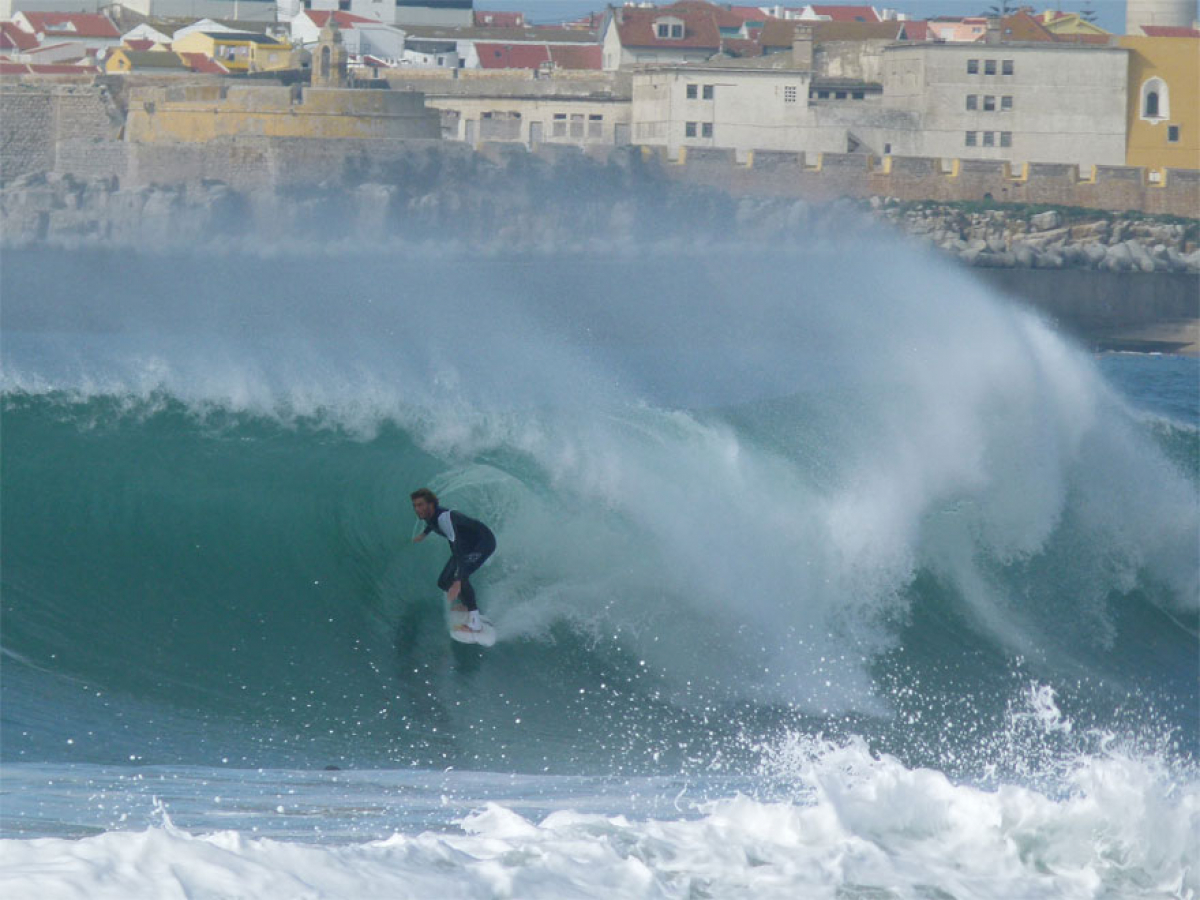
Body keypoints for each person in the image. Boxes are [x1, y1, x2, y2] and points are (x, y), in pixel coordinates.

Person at [411, 488, 496, 633]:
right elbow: (431, 523)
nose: (417, 509)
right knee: (443, 582)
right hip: (467, 544)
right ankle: (467, 606)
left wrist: (458, 581)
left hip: (483, 542)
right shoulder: (430, 515)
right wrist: (424, 534)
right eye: (415, 505)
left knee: (460, 578)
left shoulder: (444, 519)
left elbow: (457, 550)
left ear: (431, 504)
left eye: (420, 505)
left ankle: (475, 623)